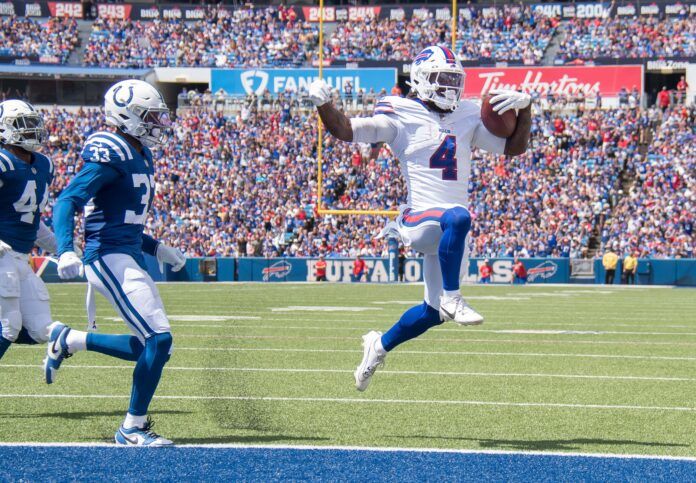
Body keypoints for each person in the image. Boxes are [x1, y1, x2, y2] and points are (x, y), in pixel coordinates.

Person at [309, 45, 531, 391]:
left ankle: (378, 346)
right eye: (442, 79)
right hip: (420, 221)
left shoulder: (467, 114)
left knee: (432, 313)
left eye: (454, 80)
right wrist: (324, 104)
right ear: (421, 78)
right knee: (459, 217)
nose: (450, 87)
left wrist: (527, 108)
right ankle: (454, 297)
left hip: (450, 235)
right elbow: (346, 130)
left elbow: (514, 148)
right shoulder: (400, 112)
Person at [46, 80, 186, 446]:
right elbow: (67, 201)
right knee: (159, 338)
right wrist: (65, 249)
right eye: (151, 116)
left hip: (126, 252)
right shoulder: (111, 152)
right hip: (107, 256)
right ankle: (132, 428)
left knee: (153, 347)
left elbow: (123, 221)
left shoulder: (140, 153)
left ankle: (71, 339)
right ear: (127, 117)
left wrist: (157, 249)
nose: (159, 123)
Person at [0, 100, 62, 360]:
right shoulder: (3, 162)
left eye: (32, 124)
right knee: (9, 325)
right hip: (2, 255)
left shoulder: (44, 165)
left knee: (39, 328)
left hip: (19, 258)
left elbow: (31, 220)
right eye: (23, 125)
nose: (31, 130)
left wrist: (64, 247)